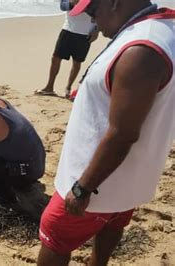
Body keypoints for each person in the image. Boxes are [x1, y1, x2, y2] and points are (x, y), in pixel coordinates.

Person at [37, 1, 174, 265]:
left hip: (97, 180)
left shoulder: (141, 50)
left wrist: (83, 187)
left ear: (114, 2)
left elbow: (122, 133)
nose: (92, 23)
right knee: (113, 223)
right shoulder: (161, 29)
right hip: (128, 178)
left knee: (53, 234)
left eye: (92, 12)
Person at [35, 0, 98, 98]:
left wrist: (96, 30)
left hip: (85, 33)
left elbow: (101, 12)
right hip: (68, 29)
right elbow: (63, 6)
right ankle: (49, 87)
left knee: (77, 62)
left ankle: (68, 88)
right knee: (55, 58)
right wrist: (72, 3)